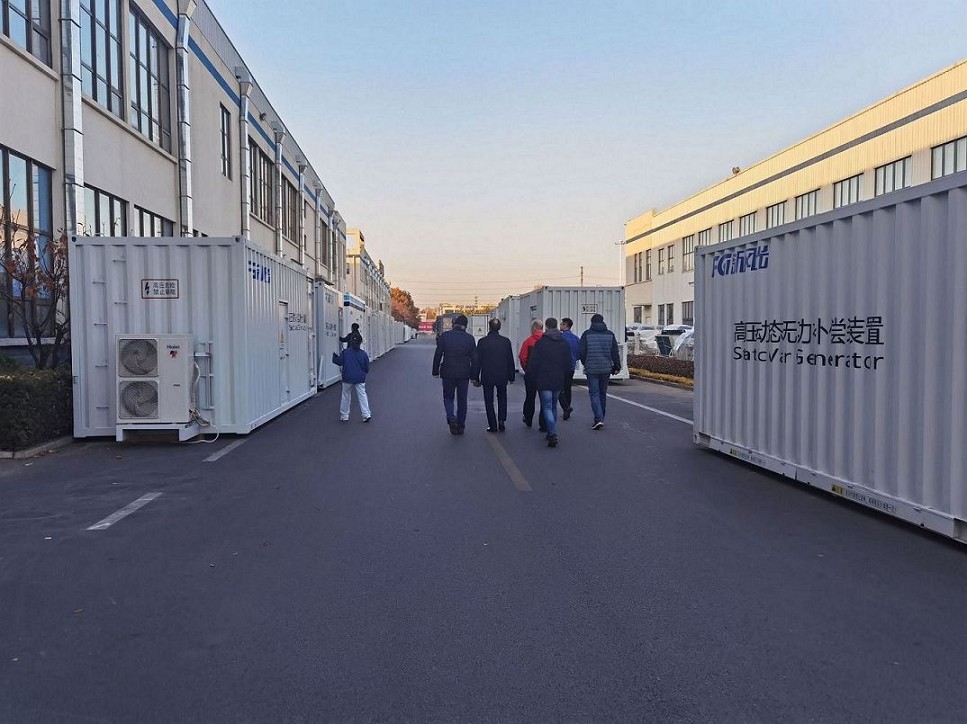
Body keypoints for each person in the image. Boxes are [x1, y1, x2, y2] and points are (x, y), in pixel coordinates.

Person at [527, 317, 573, 448]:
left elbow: (534, 363)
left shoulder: (541, 343)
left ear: (546, 327)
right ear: (556, 326)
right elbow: (568, 363)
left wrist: (533, 376)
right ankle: (551, 430)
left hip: (544, 378)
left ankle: (552, 433)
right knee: (553, 406)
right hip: (558, 378)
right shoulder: (564, 343)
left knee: (547, 406)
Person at [432, 314, 478, 435]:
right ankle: (461, 425)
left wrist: (435, 371)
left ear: (454, 324)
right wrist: (474, 376)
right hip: (464, 374)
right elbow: (475, 358)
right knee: (462, 400)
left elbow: (438, 354)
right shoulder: (470, 339)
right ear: (465, 326)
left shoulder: (445, 336)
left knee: (448, 397)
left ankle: (451, 417)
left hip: (448, 372)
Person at [578, 313, 621, 430]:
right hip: (606, 368)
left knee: (594, 394)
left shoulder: (587, 334)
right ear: (603, 321)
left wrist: (585, 362)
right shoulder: (610, 334)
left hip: (591, 368)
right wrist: (617, 366)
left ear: (592, 322)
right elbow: (614, 352)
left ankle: (598, 418)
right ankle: (601, 417)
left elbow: (582, 351)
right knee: (602, 394)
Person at [474, 318, 515, 432]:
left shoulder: (482, 342)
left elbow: (477, 361)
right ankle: (501, 420)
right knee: (502, 398)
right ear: (499, 328)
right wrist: (511, 376)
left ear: (489, 327)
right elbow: (510, 360)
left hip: (487, 375)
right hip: (502, 375)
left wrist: (475, 377)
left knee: (489, 401)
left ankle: (492, 425)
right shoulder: (506, 341)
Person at [332, 337, 371, 422]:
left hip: (347, 377)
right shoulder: (363, 354)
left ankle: (344, 415)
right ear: (360, 342)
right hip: (360, 378)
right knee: (362, 395)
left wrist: (334, 357)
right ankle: (366, 414)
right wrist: (363, 372)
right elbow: (367, 368)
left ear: (351, 342)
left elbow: (339, 362)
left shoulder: (345, 352)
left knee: (346, 396)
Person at [518, 318, 544, 431]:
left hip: (531, 374)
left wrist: (526, 369)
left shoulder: (528, 341)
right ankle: (543, 423)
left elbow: (522, 357)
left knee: (530, 397)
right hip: (544, 374)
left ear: (533, 328)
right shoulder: (546, 341)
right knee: (544, 399)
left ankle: (528, 418)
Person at [558, 317, 580, 420]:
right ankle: (567, 410)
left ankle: (565, 407)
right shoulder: (576, 338)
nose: (560, 325)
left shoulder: (561, 338)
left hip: (561, 366)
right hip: (571, 366)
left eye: (561, 324)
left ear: (566, 325)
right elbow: (579, 352)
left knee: (558, 388)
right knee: (567, 388)